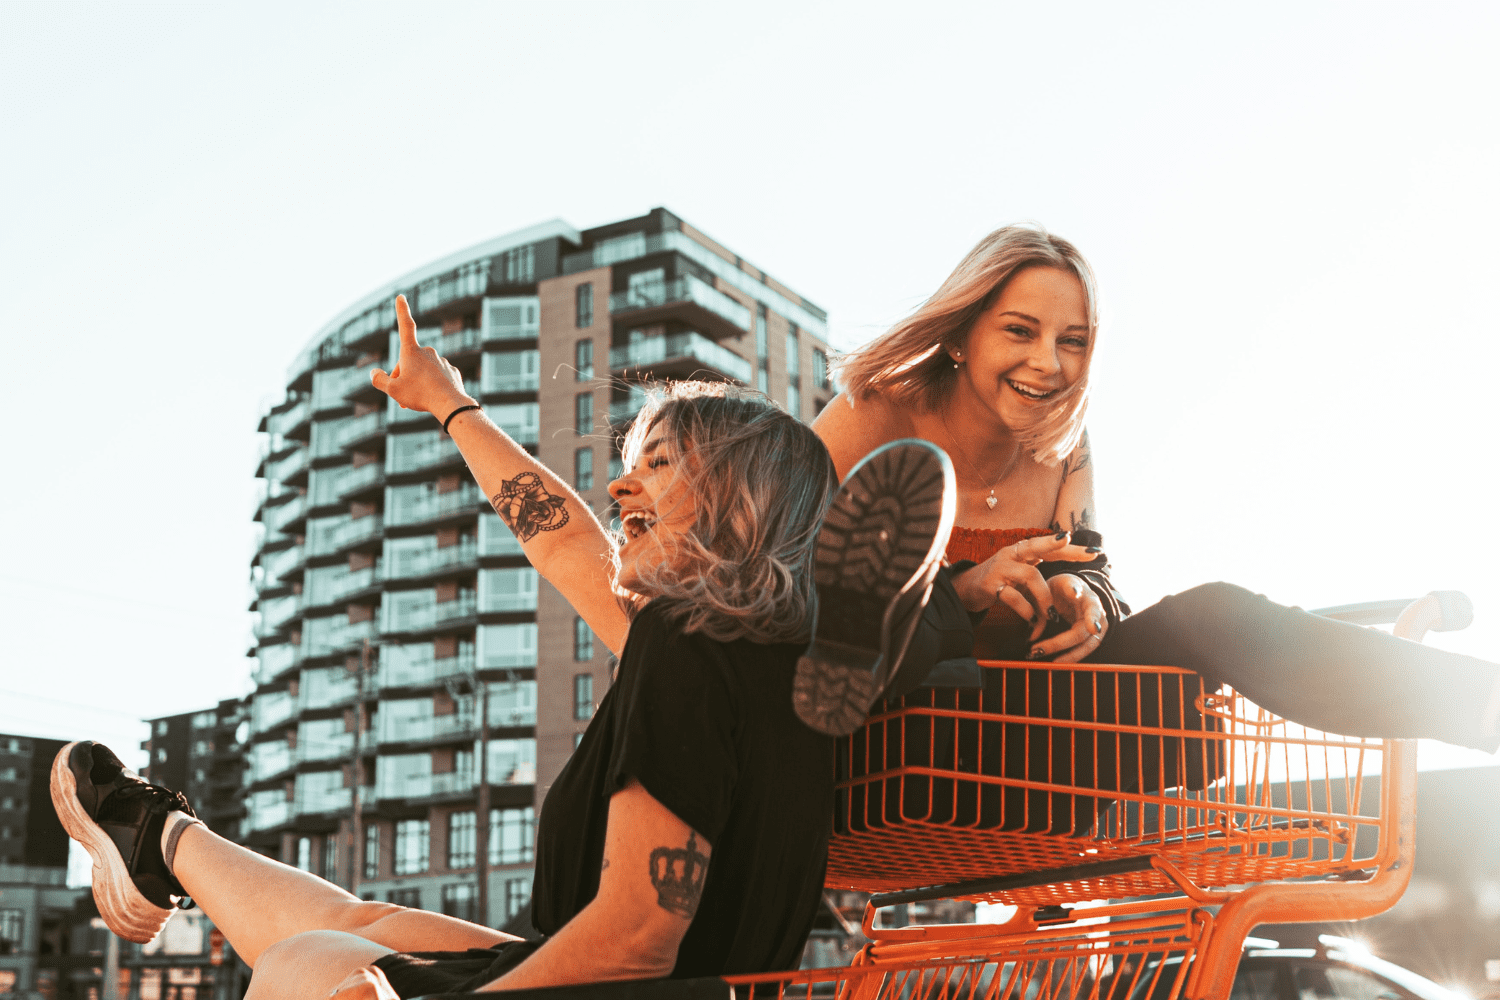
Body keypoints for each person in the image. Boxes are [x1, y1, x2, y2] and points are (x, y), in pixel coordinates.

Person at [50, 294, 956, 997]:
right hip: (636, 975)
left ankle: (160, 839)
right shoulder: (766, 653)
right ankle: (154, 835)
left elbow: (641, 937)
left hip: (635, 987)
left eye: (657, 464)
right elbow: (562, 538)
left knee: (311, 968)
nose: (616, 482)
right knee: (360, 924)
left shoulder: (689, 641)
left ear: (738, 495)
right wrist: (449, 404)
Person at [814, 224, 1500, 761]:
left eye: (1074, 341)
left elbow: (1096, 577)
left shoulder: (1065, 445)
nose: (1048, 364)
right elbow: (785, 585)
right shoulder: (874, 416)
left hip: (1032, 735)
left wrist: (1087, 601)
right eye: (1020, 331)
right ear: (962, 336)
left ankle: (1482, 708)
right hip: (906, 740)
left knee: (1209, 617)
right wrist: (962, 594)